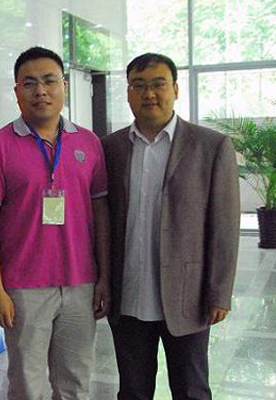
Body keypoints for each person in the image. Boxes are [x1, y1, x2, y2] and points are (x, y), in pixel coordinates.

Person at [0, 46, 111, 400]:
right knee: (27, 386)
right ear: (17, 91)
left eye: (49, 81)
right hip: (22, 288)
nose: (41, 91)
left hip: (80, 283)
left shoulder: (89, 143)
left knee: (75, 384)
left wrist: (105, 277)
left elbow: (101, 214)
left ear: (64, 86)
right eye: (29, 83)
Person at [102, 53, 240, 400]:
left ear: (175, 89)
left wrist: (219, 292)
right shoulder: (110, 148)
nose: (149, 94)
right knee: (133, 391)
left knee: (191, 389)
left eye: (158, 84)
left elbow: (224, 227)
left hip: (188, 296)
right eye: (139, 85)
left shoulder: (211, 146)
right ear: (128, 92)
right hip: (128, 296)